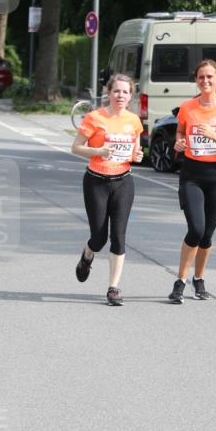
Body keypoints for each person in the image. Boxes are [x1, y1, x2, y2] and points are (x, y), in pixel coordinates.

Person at [168, 59, 216, 304]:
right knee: (196, 229)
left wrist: (214, 136)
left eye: (210, 76)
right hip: (192, 175)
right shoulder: (187, 107)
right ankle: (180, 281)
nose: (206, 81)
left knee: (207, 234)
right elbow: (180, 132)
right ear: (196, 81)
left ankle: (199, 280)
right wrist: (179, 142)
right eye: (201, 77)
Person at [71, 74, 144, 306]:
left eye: (125, 92)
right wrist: (99, 151)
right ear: (109, 93)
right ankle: (87, 255)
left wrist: (138, 155)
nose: (120, 95)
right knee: (99, 237)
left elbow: (135, 150)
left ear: (130, 96)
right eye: (116, 91)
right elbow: (76, 147)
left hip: (123, 182)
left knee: (119, 237)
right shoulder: (94, 118)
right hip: (96, 181)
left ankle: (113, 288)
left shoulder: (134, 121)